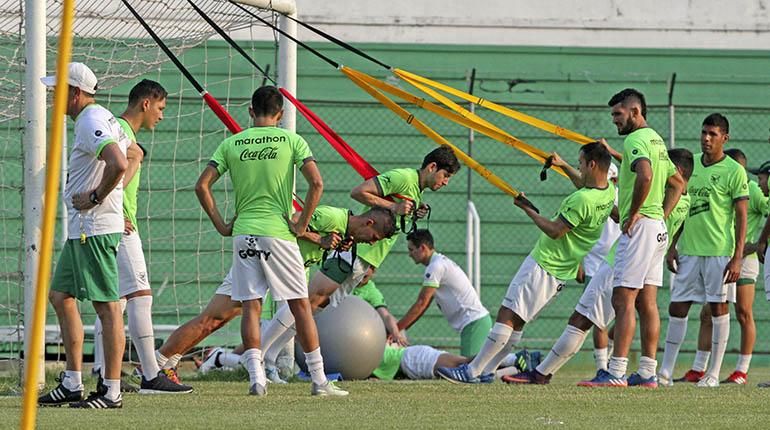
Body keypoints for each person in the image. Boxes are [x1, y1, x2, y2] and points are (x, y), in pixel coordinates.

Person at [195, 85, 346, 396]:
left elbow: (202, 186)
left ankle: (256, 378)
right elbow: (316, 183)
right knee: (300, 306)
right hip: (278, 233)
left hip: (243, 234)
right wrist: (302, 225)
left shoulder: (232, 143)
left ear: (250, 111)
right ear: (280, 115)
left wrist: (223, 225)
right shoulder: (292, 140)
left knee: (251, 307)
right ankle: (319, 382)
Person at [503, 148, 693, 385]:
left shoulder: (645, 199)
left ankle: (597, 372)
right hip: (654, 244)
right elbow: (594, 194)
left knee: (585, 316)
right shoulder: (684, 201)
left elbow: (594, 195)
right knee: (647, 306)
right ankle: (647, 372)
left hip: (625, 253)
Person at [436, 141, 615, 384]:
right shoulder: (606, 193)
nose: (579, 168)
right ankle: (488, 370)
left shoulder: (581, 200)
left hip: (545, 263)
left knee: (507, 315)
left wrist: (527, 209)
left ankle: (472, 371)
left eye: (581, 164)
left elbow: (555, 230)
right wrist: (562, 166)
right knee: (517, 321)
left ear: (592, 164)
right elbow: (585, 184)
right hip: (562, 270)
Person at [258, 146, 460, 361]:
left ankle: (268, 357)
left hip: (362, 261)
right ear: (432, 167)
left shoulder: (416, 192)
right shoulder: (404, 177)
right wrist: (393, 208)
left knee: (311, 309)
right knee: (306, 303)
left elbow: (393, 223)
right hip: (352, 251)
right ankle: (260, 355)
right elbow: (359, 192)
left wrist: (412, 213)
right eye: (445, 175)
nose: (446, 181)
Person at [191, 207, 398, 382]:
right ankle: (248, 356)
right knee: (291, 308)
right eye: (373, 238)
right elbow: (293, 222)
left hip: (293, 267)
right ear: (369, 223)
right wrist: (319, 239)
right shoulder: (332, 216)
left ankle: (262, 359)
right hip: (276, 262)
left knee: (306, 309)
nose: (371, 243)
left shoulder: (346, 231)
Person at [85, 79, 191, 394]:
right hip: (118, 225)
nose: (161, 115)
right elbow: (111, 173)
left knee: (114, 302)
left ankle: (106, 374)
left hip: (111, 222)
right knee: (141, 296)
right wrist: (114, 209)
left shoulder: (121, 132)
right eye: (160, 108)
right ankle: (150, 375)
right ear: (146, 103)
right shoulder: (119, 129)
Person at [37, 62, 129, 408]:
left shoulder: (91, 120)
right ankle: (73, 382)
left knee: (108, 308)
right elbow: (132, 155)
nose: (52, 97)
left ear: (75, 92)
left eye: (57, 90)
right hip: (82, 231)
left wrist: (95, 197)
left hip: (95, 230)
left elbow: (119, 162)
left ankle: (112, 390)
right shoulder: (102, 117)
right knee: (61, 296)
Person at [597, 88, 684, 388]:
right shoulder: (656, 139)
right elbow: (678, 182)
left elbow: (645, 176)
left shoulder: (635, 140)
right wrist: (661, 213)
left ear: (634, 112)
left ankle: (616, 372)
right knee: (648, 302)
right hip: (657, 227)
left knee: (623, 299)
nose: (615, 121)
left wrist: (634, 213)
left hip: (641, 228)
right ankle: (648, 372)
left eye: (618, 115)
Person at [658, 114, 749, 388]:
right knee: (677, 306)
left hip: (719, 252)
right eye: (704, 133)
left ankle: (712, 373)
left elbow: (741, 217)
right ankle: (664, 372)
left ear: (725, 138)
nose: (706, 138)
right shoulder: (691, 164)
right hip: (689, 250)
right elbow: (683, 207)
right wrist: (672, 245)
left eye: (712, 134)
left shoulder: (734, 171)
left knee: (718, 309)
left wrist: (737, 257)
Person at [399, 229, 491, 357]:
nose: (409, 254)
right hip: (477, 322)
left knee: (469, 370)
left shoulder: (435, 267)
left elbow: (421, 303)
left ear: (423, 248)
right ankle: (515, 360)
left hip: (473, 322)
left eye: (411, 249)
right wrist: (401, 328)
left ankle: (516, 361)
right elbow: (424, 305)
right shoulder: (438, 263)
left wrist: (396, 329)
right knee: (482, 366)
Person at [581, 162, 620, 372]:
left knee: (625, 314)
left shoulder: (623, 198)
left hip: (618, 262)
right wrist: (579, 261)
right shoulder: (588, 197)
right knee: (598, 319)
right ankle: (601, 367)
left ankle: (611, 350)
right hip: (594, 262)